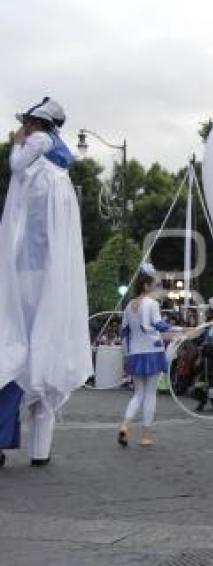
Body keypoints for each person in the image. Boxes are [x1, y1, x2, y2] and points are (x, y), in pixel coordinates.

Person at [0, 98, 92, 467]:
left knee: (17, 347)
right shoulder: (61, 173)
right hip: (50, 272)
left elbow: (15, 164)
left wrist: (19, 142)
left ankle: (24, 442)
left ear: (37, 125)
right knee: (44, 363)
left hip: (27, 270)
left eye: (27, 123)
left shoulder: (37, 155)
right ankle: (40, 451)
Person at [118, 265, 179, 447]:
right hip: (153, 351)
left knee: (138, 394)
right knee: (150, 394)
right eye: (155, 285)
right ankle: (146, 435)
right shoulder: (152, 304)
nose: (157, 289)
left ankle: (125, 425)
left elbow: (124, 332)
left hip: (136, 353)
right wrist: (180, 329)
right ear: (146, 286)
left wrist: (127, 354)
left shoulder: (129, 305)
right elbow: (159, 325)